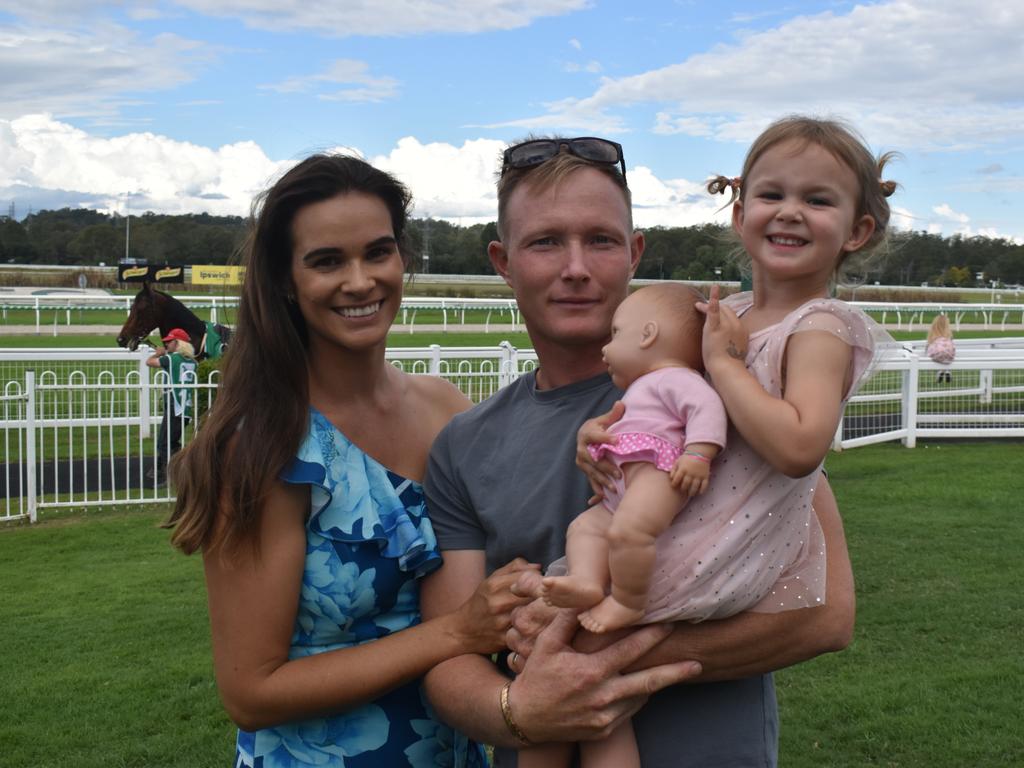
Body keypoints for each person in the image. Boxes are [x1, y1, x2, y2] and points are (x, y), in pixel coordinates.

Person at [421, 134, 859, 768]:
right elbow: (449, 652)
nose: (576, 267)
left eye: (600, 240)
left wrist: (584, 658)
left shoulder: (731, 386)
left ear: (634, 253)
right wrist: (519, 708)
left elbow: (825, 615)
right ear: (502, 260)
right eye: (545, 242)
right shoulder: (464, 443)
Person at [163, 154, 538, 767]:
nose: (360, 281)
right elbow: (250, 692)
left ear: (403, 260)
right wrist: (456, 632)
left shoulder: (446, 409)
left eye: (378, 252)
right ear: (286, 278)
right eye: (327, 260)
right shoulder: (262, 446)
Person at [146, 327, 197, 486]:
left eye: (169, 342)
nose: (166, 344)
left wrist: (158, 353)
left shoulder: (171, 359)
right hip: (185, 409)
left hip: (174, 407)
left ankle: (170, 476)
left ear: (178, 343)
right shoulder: (192, 361)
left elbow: (149, 362)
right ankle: (171, 471)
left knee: (164, 443)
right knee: (171, 442)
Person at [926, 313, 955, 383]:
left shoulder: (933, 336)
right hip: (948, 357)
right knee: (945, 357)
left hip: (935, 357)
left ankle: (940, 371)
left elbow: (928, 347)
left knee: (935, 356)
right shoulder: (949, 337)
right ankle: (947, 371)